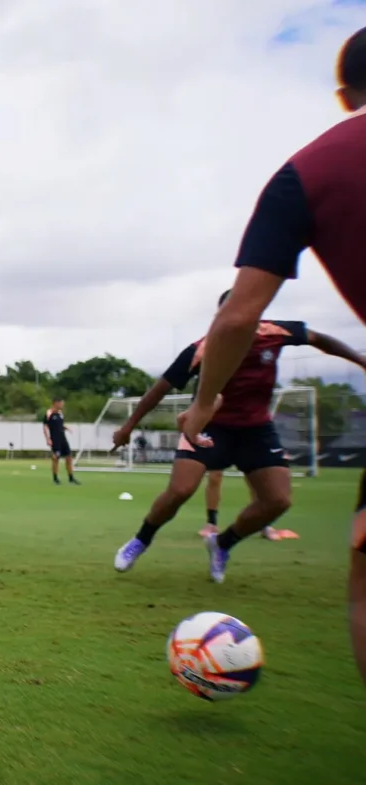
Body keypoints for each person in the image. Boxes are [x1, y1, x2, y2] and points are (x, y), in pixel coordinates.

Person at [176, 27, 366, 684]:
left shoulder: (305, 173)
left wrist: (202, 405)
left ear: (344, 95)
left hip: (237, 423)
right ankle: (179, 538)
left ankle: (219, 538)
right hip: (237, 429)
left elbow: (237, 316)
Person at [115, 289, 364, 583]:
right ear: (220, 318)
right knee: (180, 490)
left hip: (256, 430)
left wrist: (360, 359)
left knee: (278, 500)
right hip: (209, 426)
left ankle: (222, 544)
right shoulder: (202, 349)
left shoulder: (276, 332)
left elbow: (321, 340)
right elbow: (161, 388)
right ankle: (141, 540)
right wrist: (129, 426)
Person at [199, 471, 296, 540]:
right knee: (215, 475)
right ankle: (211, 523)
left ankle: (264, 525)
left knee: (255, 476)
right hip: (222, 442)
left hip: (246, 442)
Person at [43, 397, 80, 485]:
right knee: (56, 457)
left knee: (69, 457)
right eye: (61, 403)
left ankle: (71, 477)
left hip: (63, 438)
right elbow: (45, 427)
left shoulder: (60, 413)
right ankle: (55, 478)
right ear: (56, 403)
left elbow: (60, 425)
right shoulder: (49, 413)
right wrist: (48, 439)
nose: (62, 405)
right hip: (55, 439)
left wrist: (65, 427)